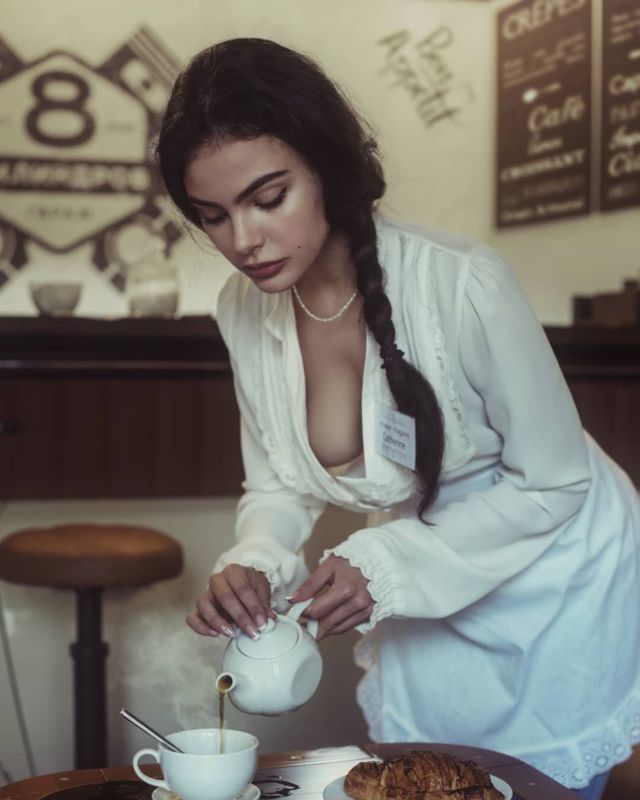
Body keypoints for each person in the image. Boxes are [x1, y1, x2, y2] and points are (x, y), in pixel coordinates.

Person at [157, 38, 640, 800]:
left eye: (268, 197)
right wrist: (255, 557)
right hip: (424, 584)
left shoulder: (463, 283)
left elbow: (554, 485)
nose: (242, 241)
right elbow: (280, 483)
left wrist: (386, 562)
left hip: (556, 580)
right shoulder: (241, 309)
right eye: (212, 216)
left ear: (327, 168)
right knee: (425, 781)